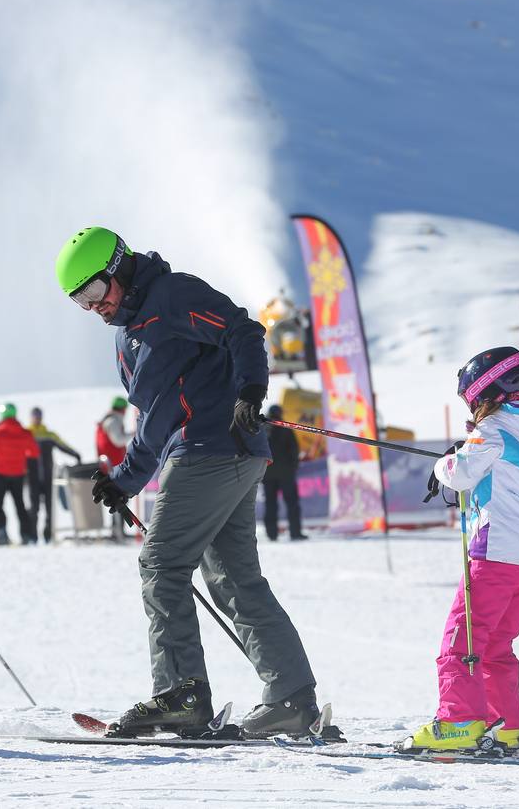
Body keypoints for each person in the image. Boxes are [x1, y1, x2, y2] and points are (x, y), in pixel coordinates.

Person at [55, 225, 323, 737]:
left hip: (213, 447)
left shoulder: (171, 295)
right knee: (234, 580)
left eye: (93, 291)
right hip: (218, 454)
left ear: (119, 267)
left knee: (162, 565)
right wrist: (125, 480)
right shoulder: (127, 337)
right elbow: (154, 416)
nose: (92, 307)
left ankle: (181, 694)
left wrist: (250, 390)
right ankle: (291, 698)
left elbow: (242, 330)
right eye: (79, 301)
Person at [407, 348, 519, 752]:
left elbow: (459, 475)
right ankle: (505, 724)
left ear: (488, 392)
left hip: (496, 551)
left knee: (463, 639)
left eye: (473, 401)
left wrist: (447, 462)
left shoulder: (493, 430)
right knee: (495, 642)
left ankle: (458, 722)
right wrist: (470, 446)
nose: (473, 409)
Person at [0, 403, 40, 545]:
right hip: (18, 474)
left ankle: (1, 534)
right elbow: (34, 452)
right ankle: (26, 535)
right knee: (20, 505)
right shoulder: (25, 433)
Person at [26, 406, 82, 543]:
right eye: (35, 416)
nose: (37, 418)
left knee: (49, 509)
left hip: (47, 478)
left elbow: (63, 445)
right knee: (34, 508)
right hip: (32, 478)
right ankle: (32, 537)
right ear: (31, 417)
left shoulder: (48, 435)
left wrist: (75, 454)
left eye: (39, 416)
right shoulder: (26, 434)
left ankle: (48, 535)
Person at [261, 405, 306, 541]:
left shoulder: (262, 429)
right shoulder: (285, 428)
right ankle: (295, 532)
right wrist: (293, 468)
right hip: (286, 473)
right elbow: (294, 450)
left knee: (270, 504)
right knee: (292, 503)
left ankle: (272, 534)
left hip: (268, 473)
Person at [95, 396, 133, 468]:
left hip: (108, 464)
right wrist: (133, 434)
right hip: (113, 465)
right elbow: (118, 441)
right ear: (122, 409)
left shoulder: (108, 420)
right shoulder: (113, 422)